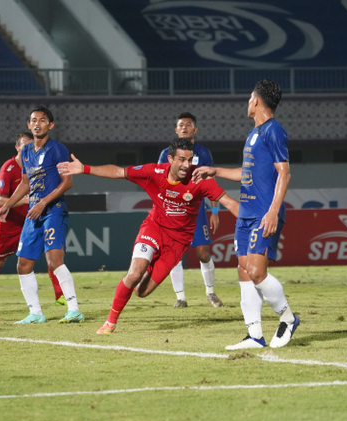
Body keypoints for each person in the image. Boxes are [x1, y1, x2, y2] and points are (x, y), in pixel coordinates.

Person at [57, 137, 240, 335]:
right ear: (169, 159)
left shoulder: (200, 180)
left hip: (178, 242)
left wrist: (254, 223)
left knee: (142, 292)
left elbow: (230, 203)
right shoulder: (154, 172)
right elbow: (119, 172)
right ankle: (110, 323)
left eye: (190, 160)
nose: (186, 165)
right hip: (154, 228)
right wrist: (84, 168)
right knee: (135, 273)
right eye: (181, 160)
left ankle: (149, 265)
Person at [193, 79, 299, 349]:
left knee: (255, 271)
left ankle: (288, 318)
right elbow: (246, 174)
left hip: (264, 213)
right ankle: (254, 335)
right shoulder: (253, 134)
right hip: (246, 214)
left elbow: (284, 173)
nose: (247, 102)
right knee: (243, 271)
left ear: (256, 101)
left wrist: (273, 211)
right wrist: (214, 171)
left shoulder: (273, 130)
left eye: (249, 98)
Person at [0, 106, 83, 325]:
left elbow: (68, 182)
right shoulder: (25, 151)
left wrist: (44, 201)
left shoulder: (58, 149)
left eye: (42, 120)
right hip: (33, 212)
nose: (37, 124)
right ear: (29, 125)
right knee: (23, 263)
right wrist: (8, 204)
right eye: (33, 120)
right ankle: (35, 313)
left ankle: (74, 310)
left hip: (53, 210)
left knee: (54, 260)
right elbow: (25, 184)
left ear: (50, 125)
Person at [0, 132, 64, 307]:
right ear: (17, 148)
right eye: (24, 145)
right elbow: (0, 201)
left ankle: (60, 296)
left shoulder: (38, 165)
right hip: (9, 222)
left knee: (50, 253)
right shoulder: (9, 168)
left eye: (31, 144)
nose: (28, 148)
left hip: (32, 219)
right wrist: (29, 199)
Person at [158, 112, 222, 308]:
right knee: (175, 253)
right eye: (181, 125)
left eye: (188, 124)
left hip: (196, 209)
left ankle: (210, 293)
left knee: (203, 252)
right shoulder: (165, 154)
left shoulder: (203, 154)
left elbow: (211, 182)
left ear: (195, 130)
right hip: (173, 210)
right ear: (176, 130)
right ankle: (181, 298)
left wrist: (215, 211)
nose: (184, 127)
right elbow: (160, 182)